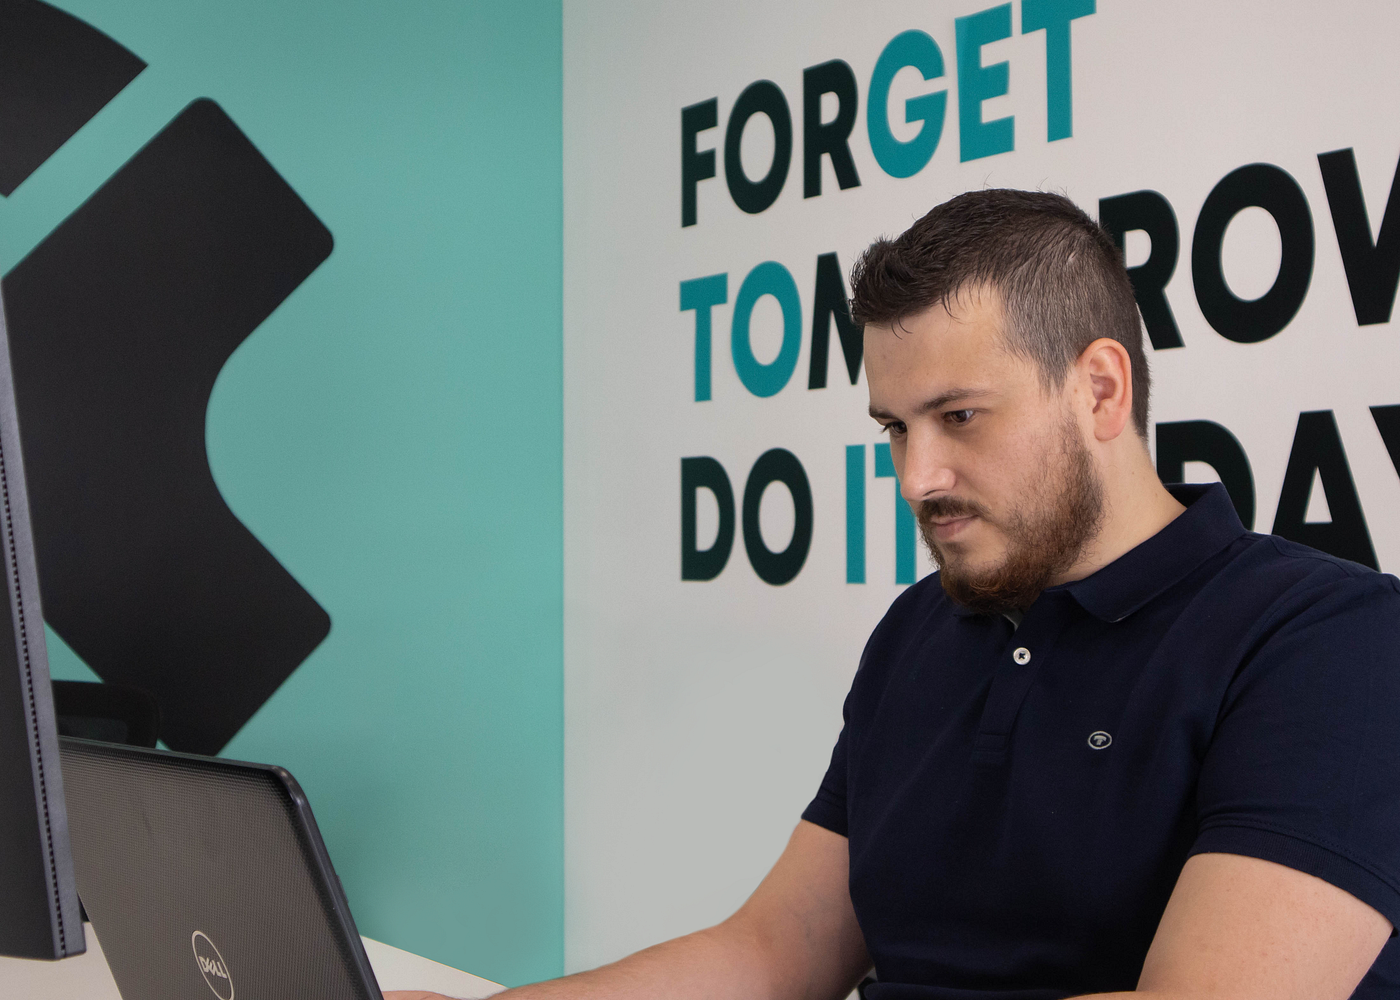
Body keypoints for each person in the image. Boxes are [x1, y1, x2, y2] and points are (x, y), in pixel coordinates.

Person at [389, 189, 1400, 1000]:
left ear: (1098, 389)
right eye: (893, 428)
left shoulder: (1328, 638)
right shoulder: (918, 630)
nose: (916, 477)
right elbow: (776, 950)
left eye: (958, 416)